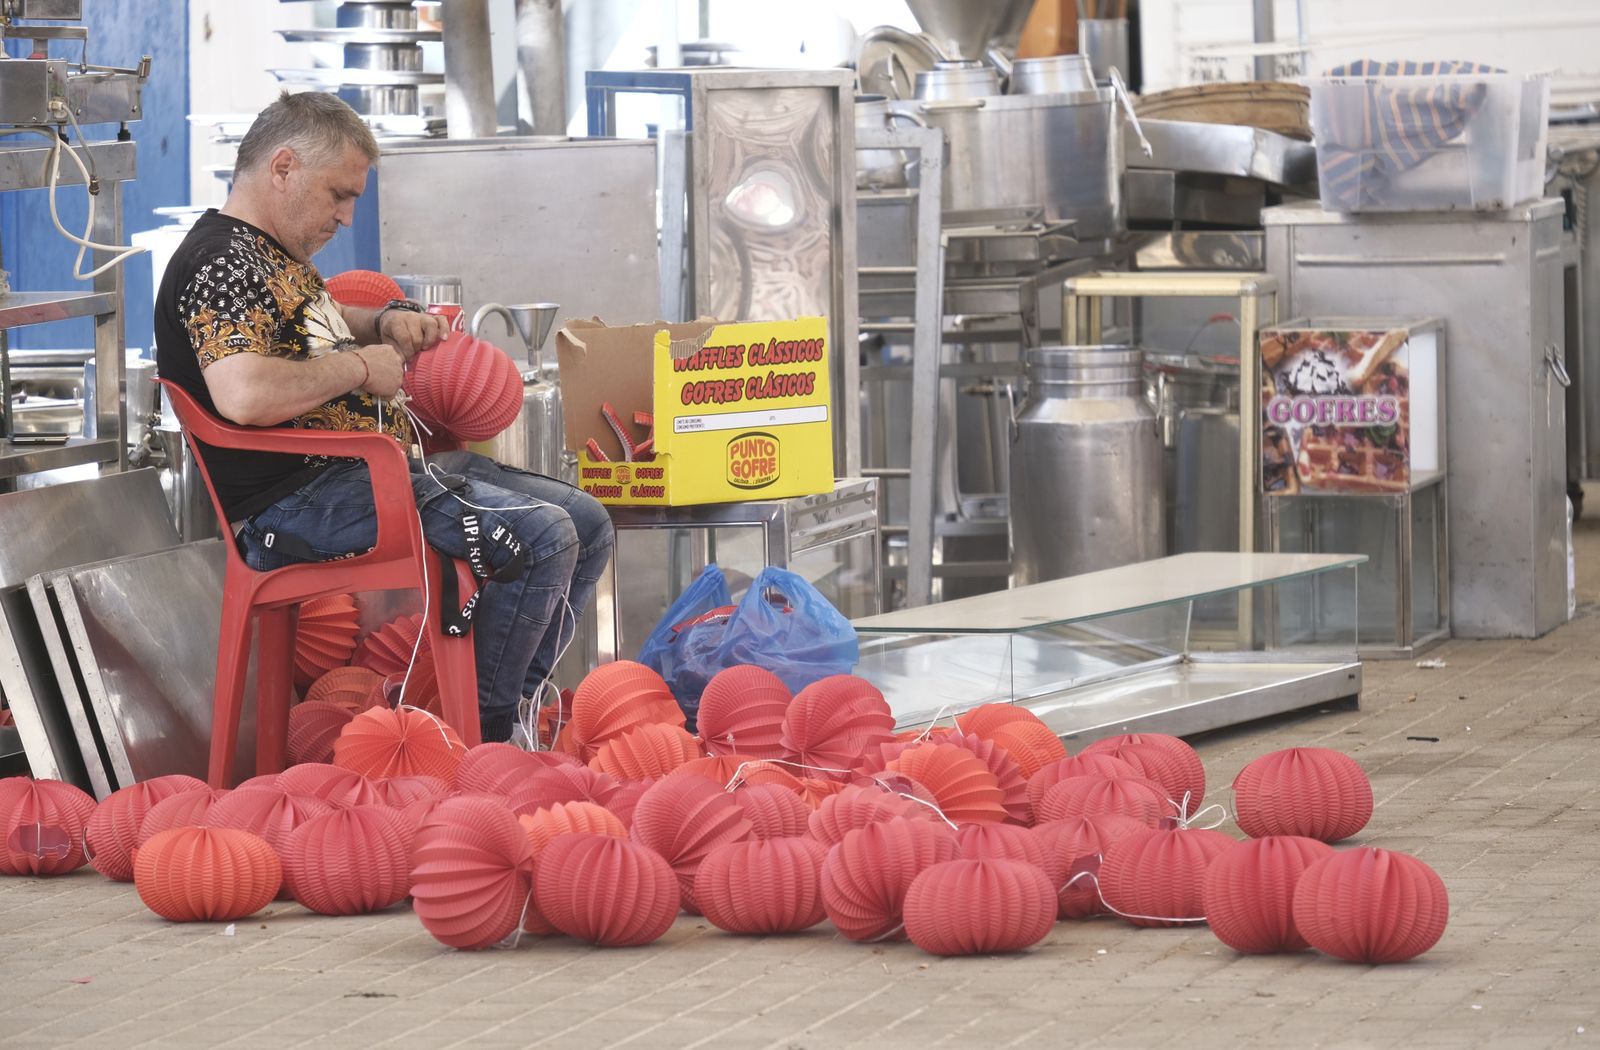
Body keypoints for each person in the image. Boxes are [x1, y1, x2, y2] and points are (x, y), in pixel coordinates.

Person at [154, 91, 612, 743]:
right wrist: (364, 368)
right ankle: (480, 742)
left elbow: (319, 329)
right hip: (297, 506)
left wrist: (384, 320)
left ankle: (501, 716)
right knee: (542, 536)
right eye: (338, 195)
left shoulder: (271, 257)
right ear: (283, 167)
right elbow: (245, 394)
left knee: (587, 522)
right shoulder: (220, 261)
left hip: (366, 478)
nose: (345, 218)